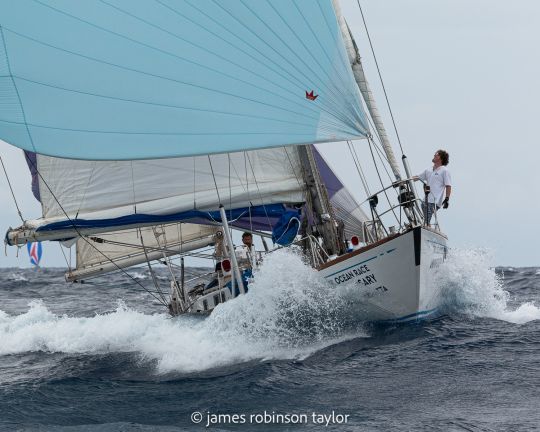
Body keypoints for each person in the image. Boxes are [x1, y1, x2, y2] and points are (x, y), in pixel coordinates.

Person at [414, 149, 452, 225]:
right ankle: (424, 229)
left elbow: (448, 185)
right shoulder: (428, 170)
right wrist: (404, 181)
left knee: (426, 221)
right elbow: (417, 177)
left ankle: (426, 229)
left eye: (436, 154)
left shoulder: (444, 171)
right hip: (425, 200)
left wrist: (447, 199)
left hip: (434, 201)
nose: (434, 155)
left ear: (441, 158)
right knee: (424, 220)